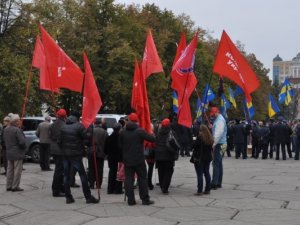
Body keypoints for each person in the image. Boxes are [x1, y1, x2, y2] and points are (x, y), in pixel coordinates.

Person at [59, 111, 99, 204]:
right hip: (76, 154)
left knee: (66, 176)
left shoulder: (63, 126)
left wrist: (64, 149)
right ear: (77, 118)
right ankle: (88, 197)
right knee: (83, 176)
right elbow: (87, 137)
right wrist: (90, 128)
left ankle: (68, 197)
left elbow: (59, 141)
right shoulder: (79, 126)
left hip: (65, 154)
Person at [119, 112, 155, 206]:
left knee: (129, 179)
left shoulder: (123, 132)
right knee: (142, 178)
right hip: (139, 159)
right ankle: (145, 199)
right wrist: (151, 131)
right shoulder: (140, 131)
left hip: (127, 159)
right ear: (137, 121)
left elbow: (120, 145)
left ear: (129, 120)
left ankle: (130, 200)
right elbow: (152, 139)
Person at [3, 114, 26, 192]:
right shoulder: (17, 130)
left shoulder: (6, 129)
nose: (20, 121)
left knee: (10, 170)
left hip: (9, 152)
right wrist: (23, 148)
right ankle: (15, 186)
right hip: (17, 153)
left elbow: (3, 141)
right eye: (19, 120)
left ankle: (9, 185)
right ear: (16, 121)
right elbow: (22, 142)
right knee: (17, 170)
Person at [155, 118, 178, 194]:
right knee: (168, 171)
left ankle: (162, 185)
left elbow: (156, 141)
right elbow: (175, 143)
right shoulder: (172, 132)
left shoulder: (158, 132)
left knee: (160, 170)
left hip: (159, 154)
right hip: (168, 154)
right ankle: (165, 187)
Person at [191, 124, 213, 195]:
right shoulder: (209, 137)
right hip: (208, 158)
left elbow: (193, 146)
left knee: (199, 174)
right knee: (206, 173)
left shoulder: (200, 137)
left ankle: (199, 190)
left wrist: (193, 140)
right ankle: (208, 189)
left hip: (200, 158)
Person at [49, 109, 67, 197]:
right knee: (59, 171)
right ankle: (56, 190)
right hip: (60, 150)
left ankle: (60, 188)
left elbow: (50, 136)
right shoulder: (64, 125)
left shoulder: (52, 125)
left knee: (59, 170)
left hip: (53, 149)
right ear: (65, 116)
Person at [209, 107, 227, 190]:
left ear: (217, 112)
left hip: (219, 144)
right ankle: (219, 182)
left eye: (213, 114)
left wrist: (213, 144)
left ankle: (214, 183)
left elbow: (218, 134)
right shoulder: (219, 119)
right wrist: (212, 127)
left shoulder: (219, 120)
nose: (212, 116)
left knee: (215, 164)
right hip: (223, 144)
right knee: (219, 163)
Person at [88, 118, 108, 189]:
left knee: (91, 168)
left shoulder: (91, 131)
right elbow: (106, 143)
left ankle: (91, 184)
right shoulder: (104, 132)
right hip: (101, 152)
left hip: (91, 151)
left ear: (94, 124)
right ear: (100, 124)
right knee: (99, 169)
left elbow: (87, 142)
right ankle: (98, 184)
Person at [105, 122, 123, 194]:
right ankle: (117, 189)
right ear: (119, 129)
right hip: (119, 158)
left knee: (112, 173)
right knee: (119, 173)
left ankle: (110, 189)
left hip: (111, 158)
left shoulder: (109, 138)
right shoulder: (120, 138)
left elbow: (105, 150)